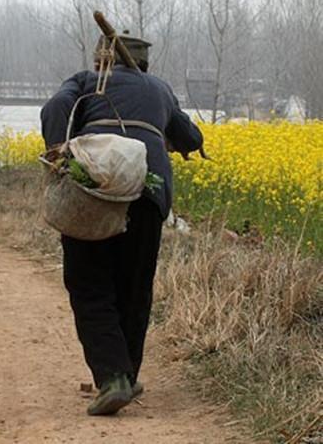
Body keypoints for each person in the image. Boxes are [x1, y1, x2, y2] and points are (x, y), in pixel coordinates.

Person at [40, 33, 204, 416]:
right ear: (142, 64)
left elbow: (54, 109)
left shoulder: (83, 81)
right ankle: (126, 375)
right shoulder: (159, 89)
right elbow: (190, 136)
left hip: (94, 190)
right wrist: (183, 141)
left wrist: (61, 154)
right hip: (148, 193)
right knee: (134, 286)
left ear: (101, 60)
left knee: (89, 282)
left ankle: (113, 377)